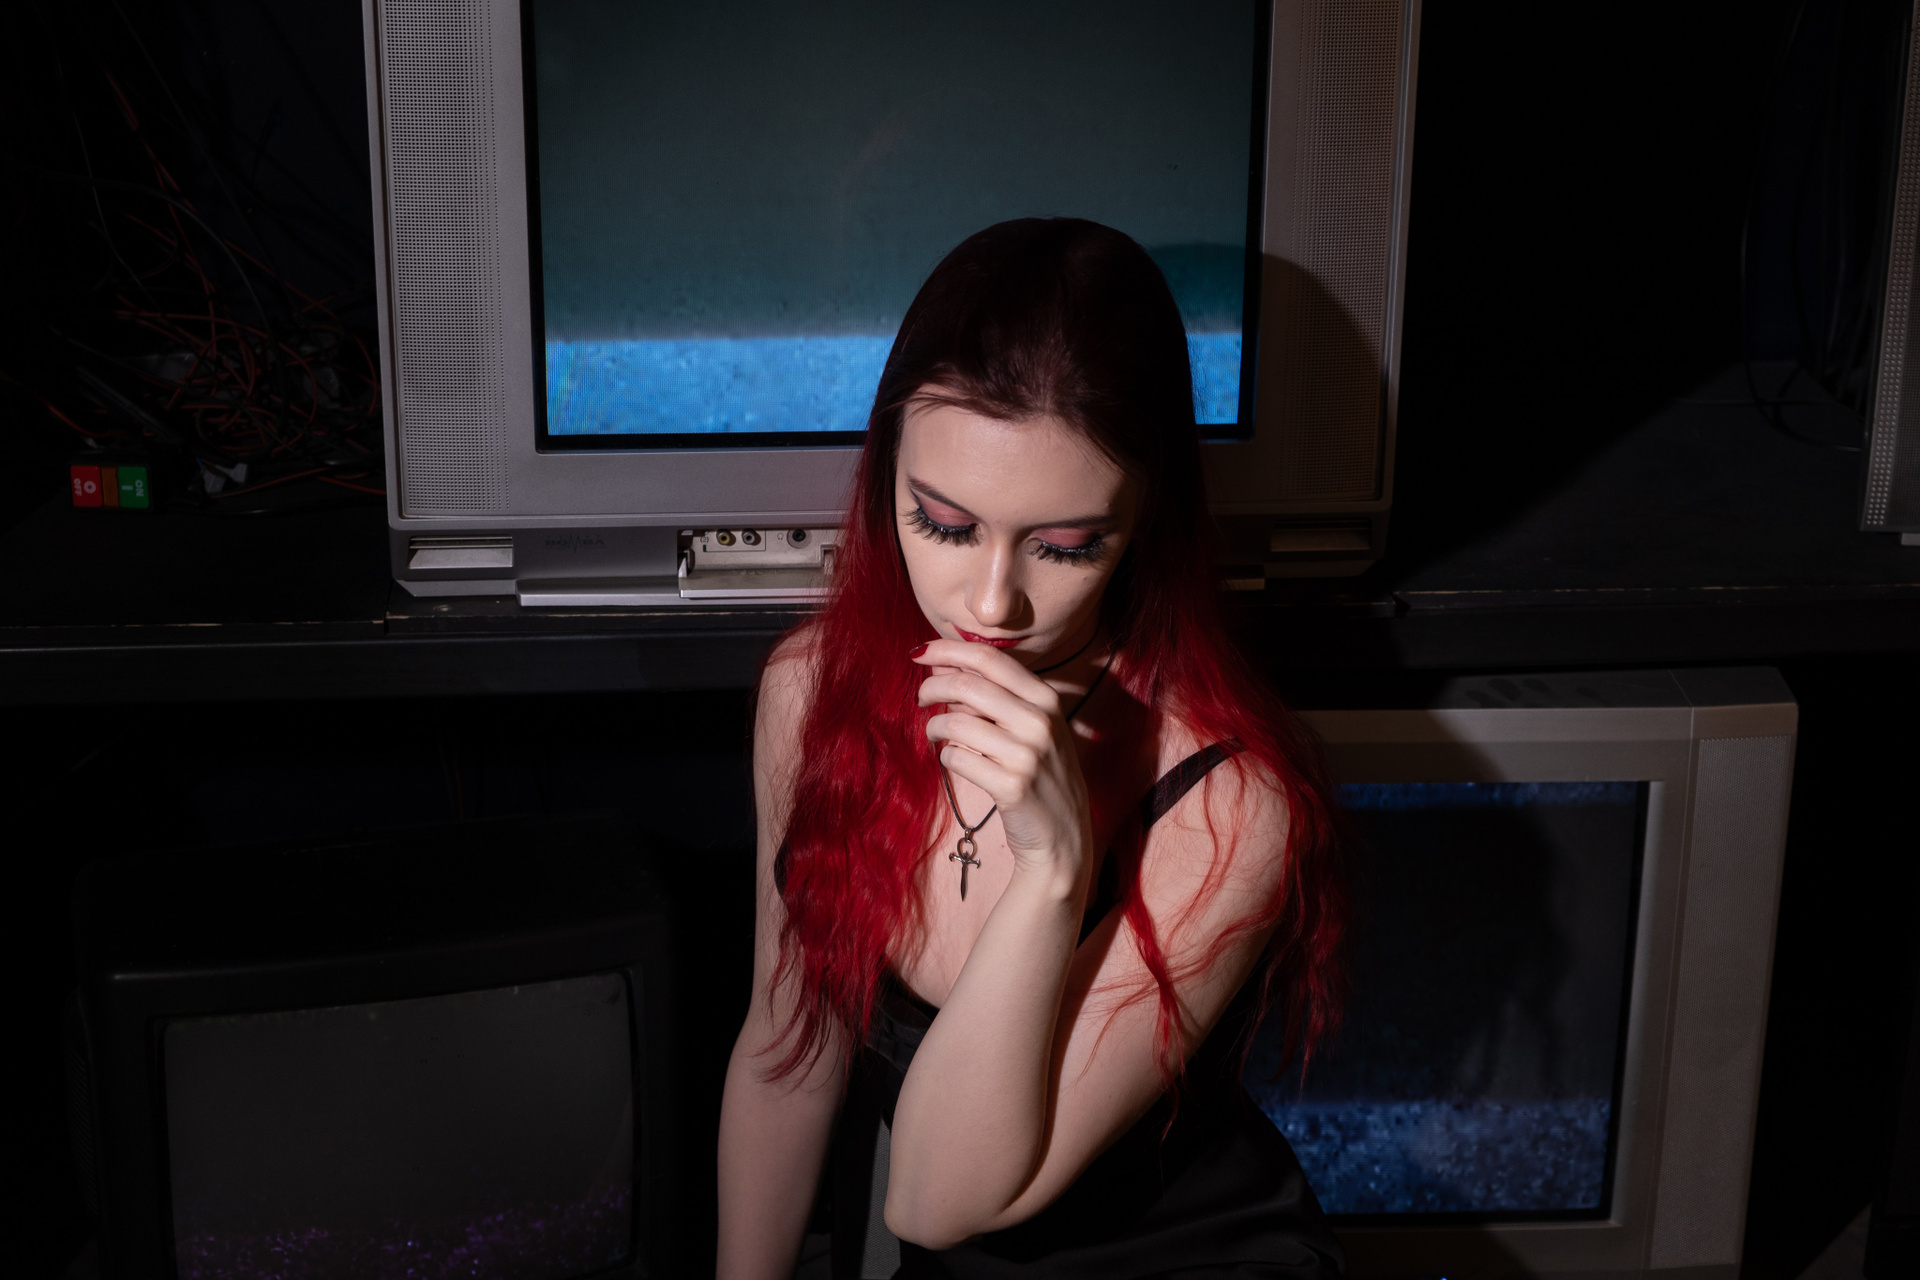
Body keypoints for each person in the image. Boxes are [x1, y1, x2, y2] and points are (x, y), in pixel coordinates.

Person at [717, 218, 1348, 1279]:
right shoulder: (810, 692)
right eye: (943, 524)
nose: (991, 603)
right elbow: (789, 1055)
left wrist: (1055, 873)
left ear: (1143, 522)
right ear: (886, 478)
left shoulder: (1230, 802)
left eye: (1065, 546)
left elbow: (933, 1200)